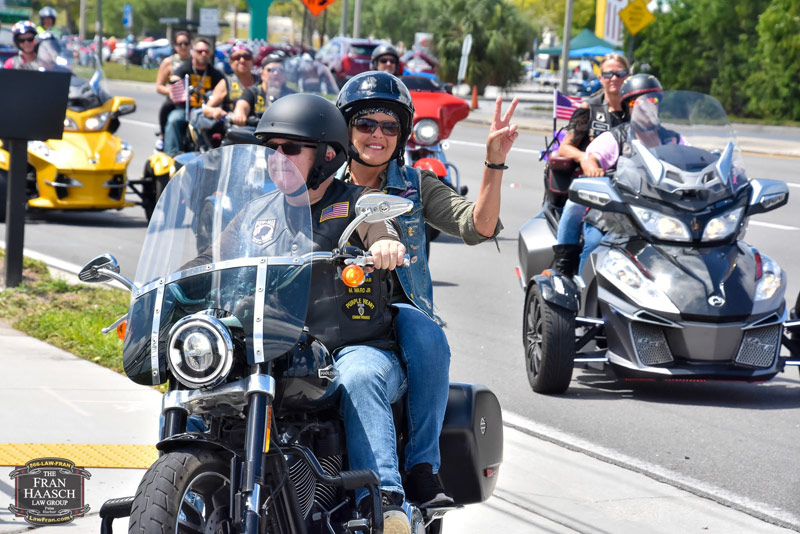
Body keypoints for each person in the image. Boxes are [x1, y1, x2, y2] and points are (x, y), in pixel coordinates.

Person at [335, 71, 518, 508]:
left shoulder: (415, 186)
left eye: (389, 126)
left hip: (397, 313)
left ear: (402, 135)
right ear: (345, 128)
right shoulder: (322, 183)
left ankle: (421, 469)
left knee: (425, 330)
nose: (377, 135)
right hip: (332, 316)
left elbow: (478, 226)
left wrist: (493, 162)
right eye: (365, 123)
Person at [250, 93, 413, 534]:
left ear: (325, 156)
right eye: (271, 149)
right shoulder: (257, 213)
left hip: (353, 347)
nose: (277, 158)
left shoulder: (360, 204)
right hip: (279, 347)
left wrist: (385, 245)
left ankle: (386, 505)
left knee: (359, 376)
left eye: (290, 148)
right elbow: (211, 259)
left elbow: (380, 227)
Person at [569, 74, 679, 274]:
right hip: (617, 212)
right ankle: (584, 287)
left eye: (652, 100)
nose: (645, 106)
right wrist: (593, 169)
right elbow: (591, 157)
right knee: (595, 244)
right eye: (637, 102)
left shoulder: (672, 139)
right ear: (629, 107)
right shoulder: (616, 136)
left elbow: (692, 160)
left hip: (660, 212)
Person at [551, 53, 631, 278]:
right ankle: (564, 265)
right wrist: (584, 158)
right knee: (573, 206)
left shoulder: (635, 108)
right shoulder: (590, 108)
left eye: (620, 73)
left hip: (630, 182)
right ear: (601, 77)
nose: (614, 78)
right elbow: (565, 146)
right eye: (608, 74)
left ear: (628, 76)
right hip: (594, 180)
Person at [163, 36, 226, 156]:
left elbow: (224, 89)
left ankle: (219, 156)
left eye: (206, 51)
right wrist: (175, 83)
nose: (203, 54)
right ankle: (172, 154)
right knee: (174, 119)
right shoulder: (184, 69)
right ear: (193, 52)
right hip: (186, 110)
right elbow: (174, 79)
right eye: (200, 51)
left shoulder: (216, 74)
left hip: (207, 111)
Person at [189, 43, 257, 146]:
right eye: (237, 57)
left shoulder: (261, 81)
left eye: (246, 56)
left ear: (252, 60)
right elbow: (206, 109)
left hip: (259, 131)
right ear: (230, 62)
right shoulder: (226, 83)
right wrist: (215, 112)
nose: (242, 60)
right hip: (234, 133)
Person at [231, 52, 294, 126]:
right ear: (262, 74)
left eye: (280, 70)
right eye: (271, 70)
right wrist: (240, 114)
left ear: (284, 75)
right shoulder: (252, 92)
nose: (276, 73)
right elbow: (242, 105)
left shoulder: (291, 96)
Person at [155, 31, 192, 151]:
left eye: (186, 43)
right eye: (179, 44)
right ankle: (164, 137)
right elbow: (159, 86)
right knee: (168, 111)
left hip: (194, 100)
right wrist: (171, 92)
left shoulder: (196, 61)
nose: (183, 47)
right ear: (175, 46)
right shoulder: (169, 62)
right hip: (177, 101)